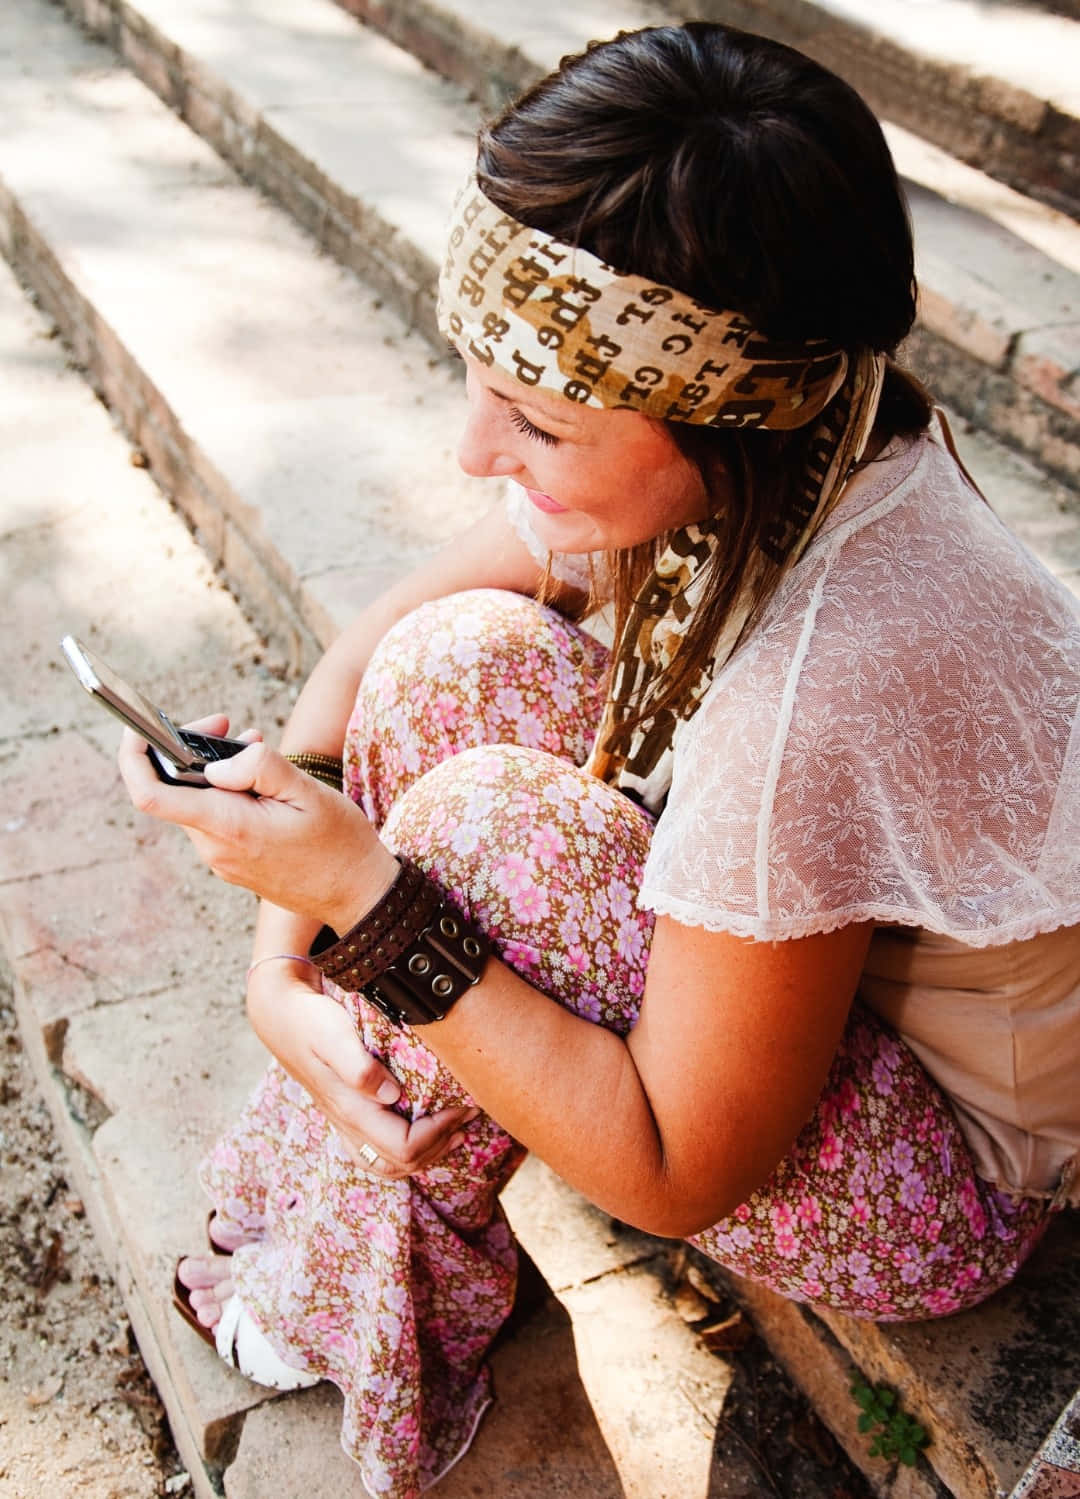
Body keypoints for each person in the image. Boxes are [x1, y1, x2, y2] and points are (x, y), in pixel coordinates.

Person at [117, 21, 1080, 1499]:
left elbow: (675, 1168)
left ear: (724, 417)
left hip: (948, 1179)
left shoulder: (812, 681)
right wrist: (279, 943)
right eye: (476, 379)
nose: (471, 450)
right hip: (811, 986)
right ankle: (391, 1196)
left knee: (472, 837)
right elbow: (382, 642)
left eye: (540, 419)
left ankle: (371, 1268)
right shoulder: (799, 434)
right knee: (457, 663)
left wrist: (364, 902)